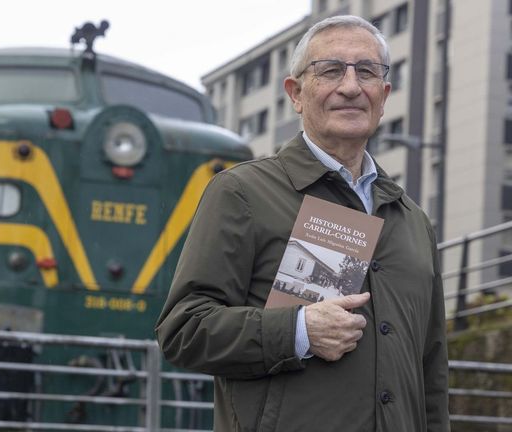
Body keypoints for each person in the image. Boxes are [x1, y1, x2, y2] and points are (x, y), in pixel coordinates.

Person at [155, 15, 449, 432]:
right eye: (330, 70)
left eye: (366, 71)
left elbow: (431, 371)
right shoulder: (242, 192)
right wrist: (297, 330)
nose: (350, 86)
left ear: (383, 96)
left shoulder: (414, 220)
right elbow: (183, 331)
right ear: (295, 93)